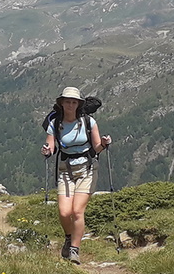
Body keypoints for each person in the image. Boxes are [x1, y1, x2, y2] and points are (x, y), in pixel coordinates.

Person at [40, 86, 112, 264]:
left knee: (77, 211)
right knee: (64, 212)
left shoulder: (89, 122)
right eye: (67, 102)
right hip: (65, 169)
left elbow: (96, 149)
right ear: (62, 103)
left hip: (87, 169)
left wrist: (103, 143)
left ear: (79, 104)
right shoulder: (55, 123)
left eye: (74, 102)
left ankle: (74, 249)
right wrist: (47, 151)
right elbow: (52, 147)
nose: (70, 105)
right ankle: (68, 237)